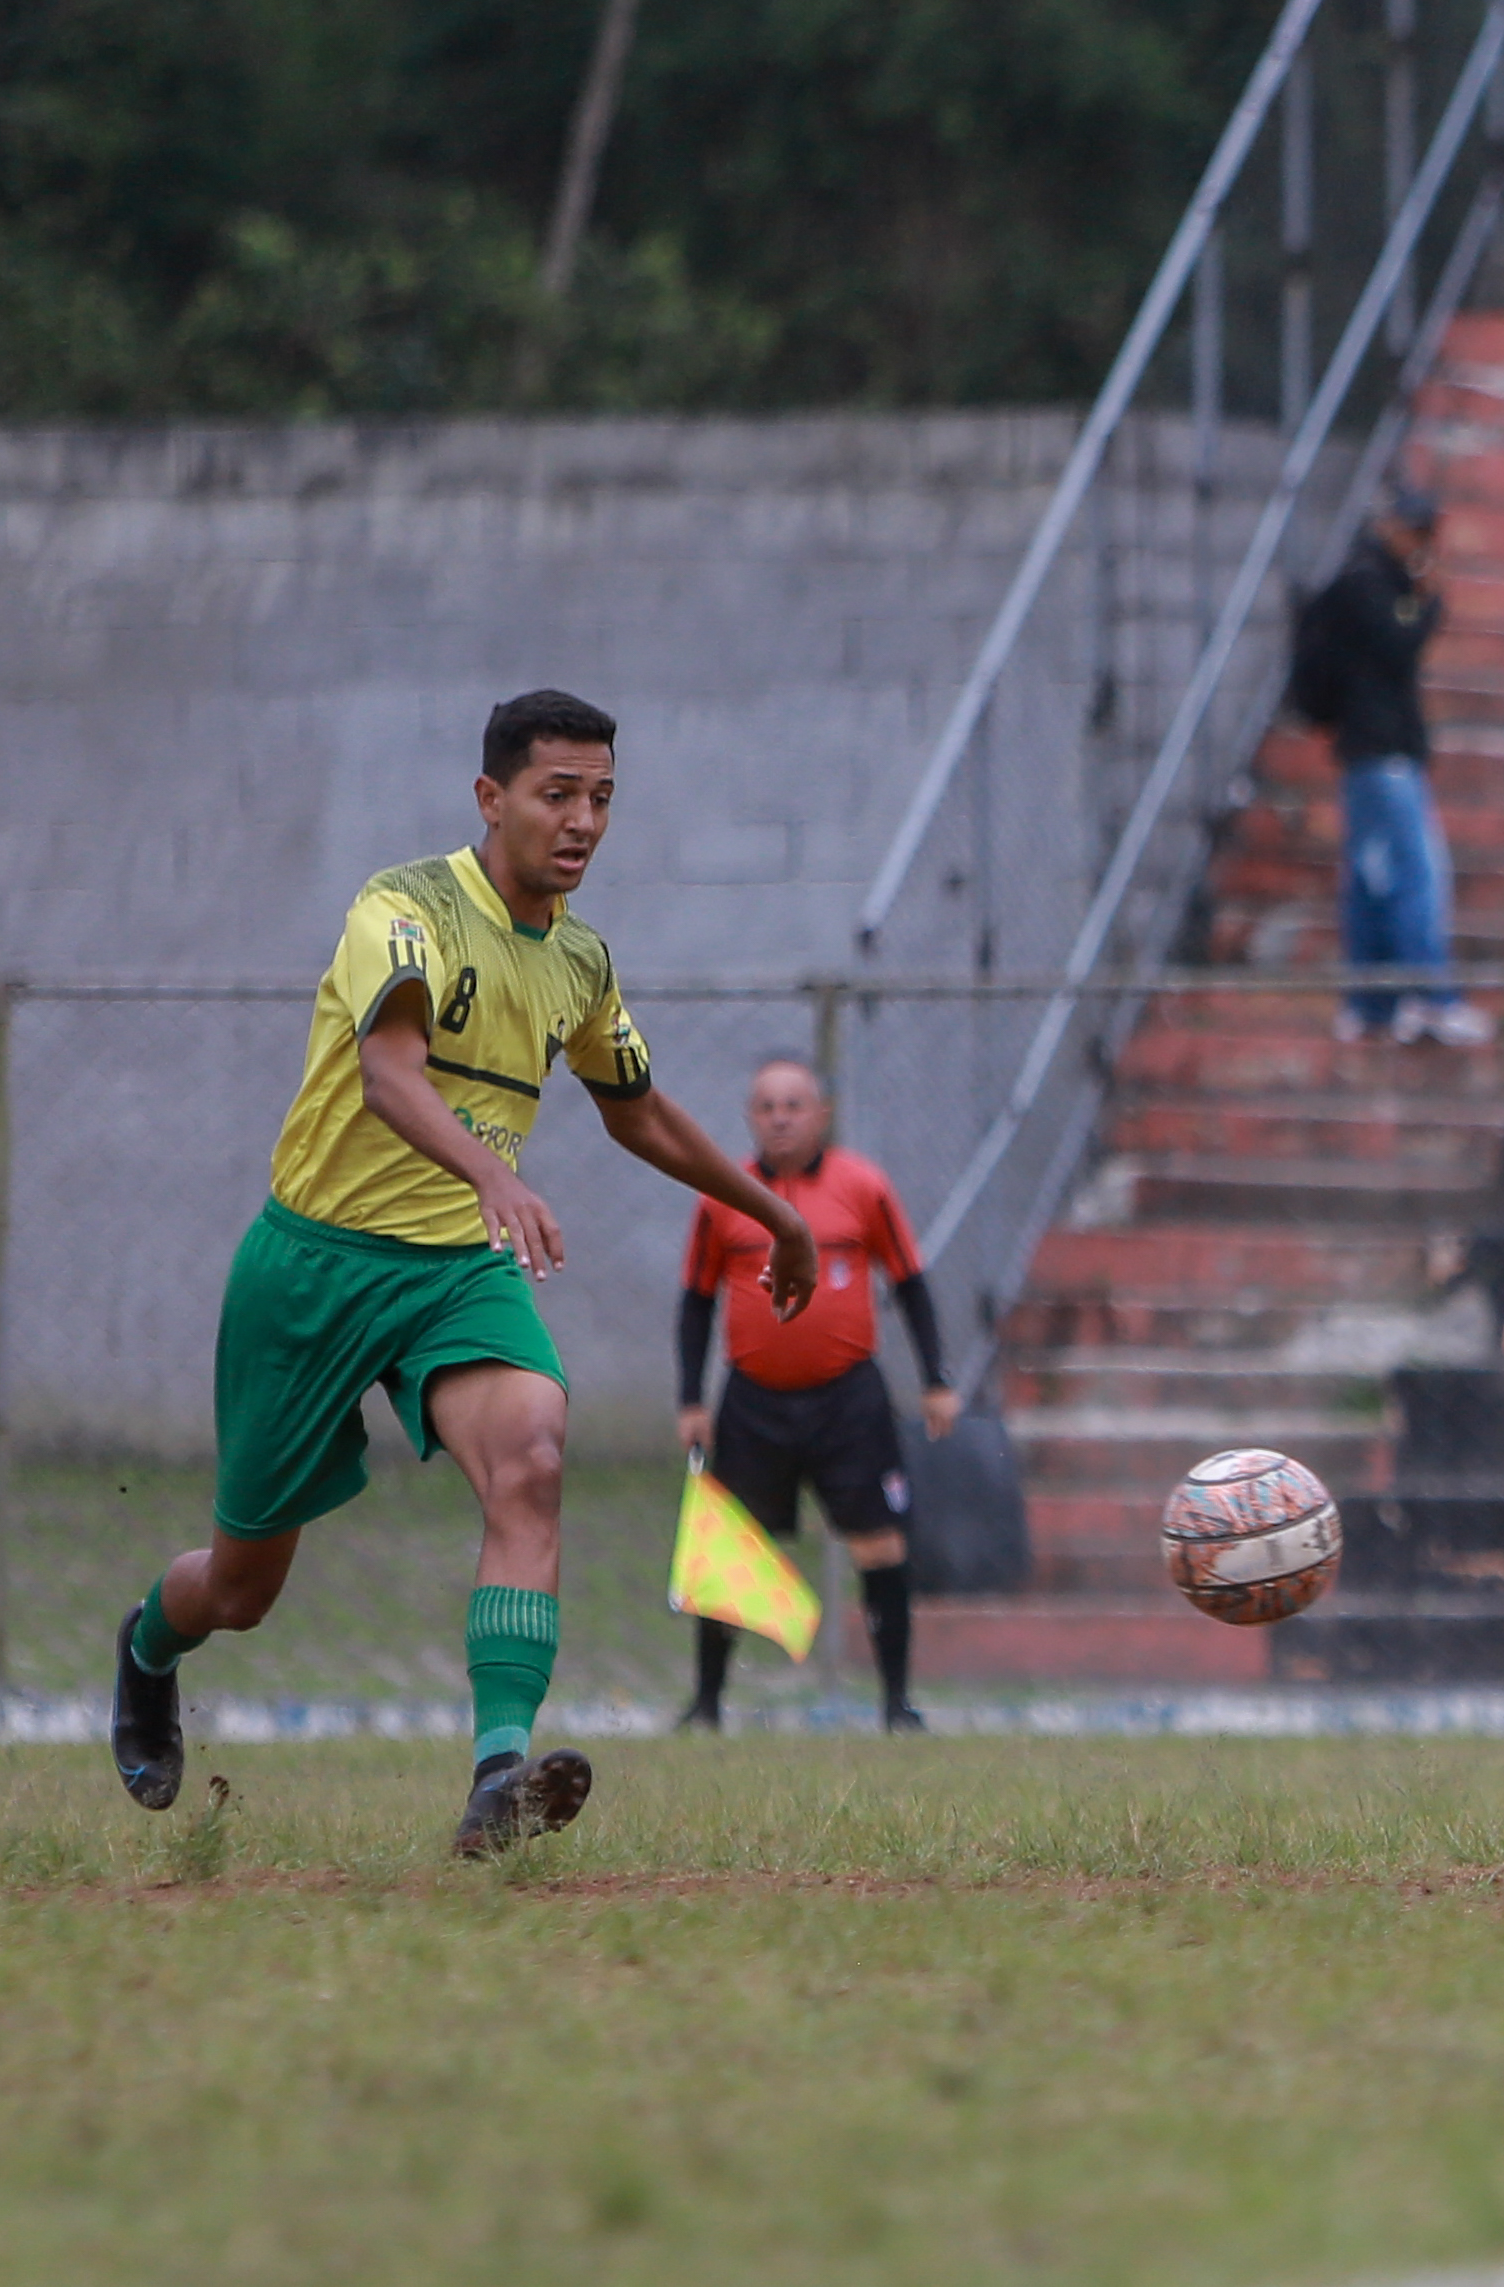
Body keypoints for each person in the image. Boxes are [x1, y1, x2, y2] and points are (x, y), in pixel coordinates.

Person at [106, 690, 818, 1855]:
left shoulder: (580, 959)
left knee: (533, 1452)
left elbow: (638, 1113)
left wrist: (775, 1213)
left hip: (450, 1271)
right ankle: (144, 1647)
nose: (583, 820)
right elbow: (389, 1072)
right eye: (558, 795)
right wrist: (492, 1175)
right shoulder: (403, 907)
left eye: (601, 799)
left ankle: (499, 1776)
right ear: (491, 799)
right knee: (241, 1587)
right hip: (315, 1263)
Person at [676, 1057, 959, 1734]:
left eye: (793, 1104)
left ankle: (896, 1705)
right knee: (727, 1552)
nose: (779, 1116)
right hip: (752, 1402)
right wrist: (691, 1399)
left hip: (847, 1401)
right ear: (750, 1117)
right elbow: (695, 1300)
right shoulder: (724, 1194)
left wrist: (935, 1379)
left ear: (821, 1114)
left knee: (879, 1545)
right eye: (766, 1105)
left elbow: (910, 1283)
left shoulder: (863, 1186)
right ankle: (707, 1705)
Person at [1289, 484, 1494, 1047]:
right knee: (1414, 878)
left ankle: (1373, 1004)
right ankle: (1432, 998)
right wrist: (1429, 601)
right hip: (1381, 755)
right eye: (1419, 533)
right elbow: (1399, 645)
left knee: (1372, 883)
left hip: (1372, 755)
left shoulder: (1366, 582)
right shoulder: (1367, 584)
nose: (1425, 546)